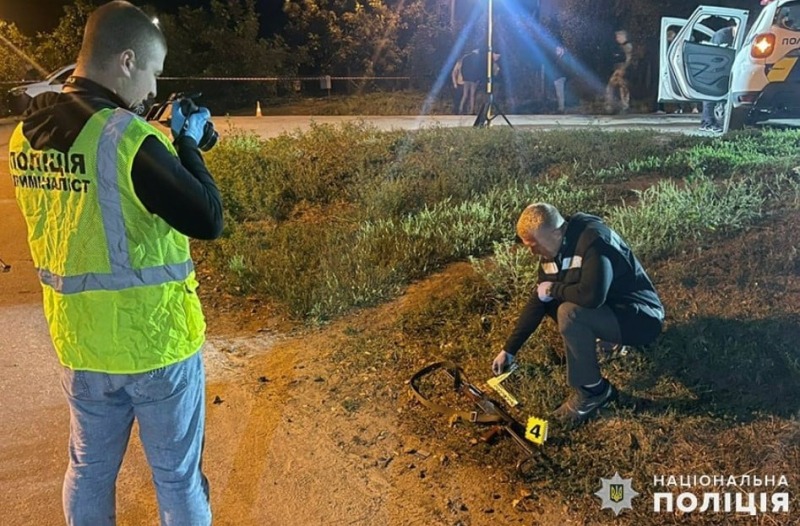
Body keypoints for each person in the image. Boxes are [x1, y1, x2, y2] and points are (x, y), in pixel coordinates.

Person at [9, 2, 222, 524]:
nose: (152, 89)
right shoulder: (128, 138)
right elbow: (207, 217)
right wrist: (188, 143)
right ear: (127, 60)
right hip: (155, 345)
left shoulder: (27, 136)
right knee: (176, 477)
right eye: (151, 71)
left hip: (81, 344)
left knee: (87, 470)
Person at [492, 204, 664, 427]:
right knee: (557, 303)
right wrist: (509, 349)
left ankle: (593, 391)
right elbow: (540, 299)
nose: (532, 252)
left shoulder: (593, 240)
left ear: (555, 232)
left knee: (569, 312)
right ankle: (609, 342)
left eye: (534, 245)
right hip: (616, 313)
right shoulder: (554, 250)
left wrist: (553, 289)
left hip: (643, 320)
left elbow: (593, 297)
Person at [700, 20, 738, 132]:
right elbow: (718, 53)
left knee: (716, 98)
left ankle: (713, 122)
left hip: (720, 69)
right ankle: (707, 123)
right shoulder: (722, 35)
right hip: (712, 69)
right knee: (709, 98)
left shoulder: (732, 36)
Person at [605, 29, 634, 114]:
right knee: (614, 87)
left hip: (622, 70)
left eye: (618, 36)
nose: (617, 38)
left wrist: (623, 69)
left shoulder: (628, 46)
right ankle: (614, 105)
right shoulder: (620, 47)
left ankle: (622, 106)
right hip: (618, 69)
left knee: (621, 87)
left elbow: (629, 60)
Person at [459, 48, 482, 115]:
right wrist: (478, 79)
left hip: (466, 79)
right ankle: (471, 110)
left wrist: (464, 77)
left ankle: (460, 109)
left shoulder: (465, 58)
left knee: (465, 94)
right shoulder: (477, 58)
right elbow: (478, 69)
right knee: (472, 95)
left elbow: (462, 68)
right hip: (473, 79)